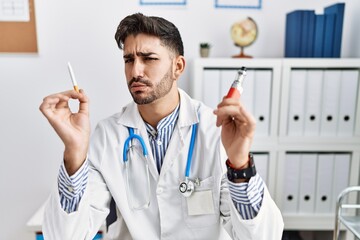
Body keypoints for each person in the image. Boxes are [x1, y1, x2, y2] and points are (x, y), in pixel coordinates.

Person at [39, 12, 283, 240]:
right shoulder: (109, 135)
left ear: (177, 66)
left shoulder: (214, 130)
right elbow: (64, 236)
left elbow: (263, 236)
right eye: (128, 59)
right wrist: (74, 151)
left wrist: (240, 165)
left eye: (149, 59)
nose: (135, 71)